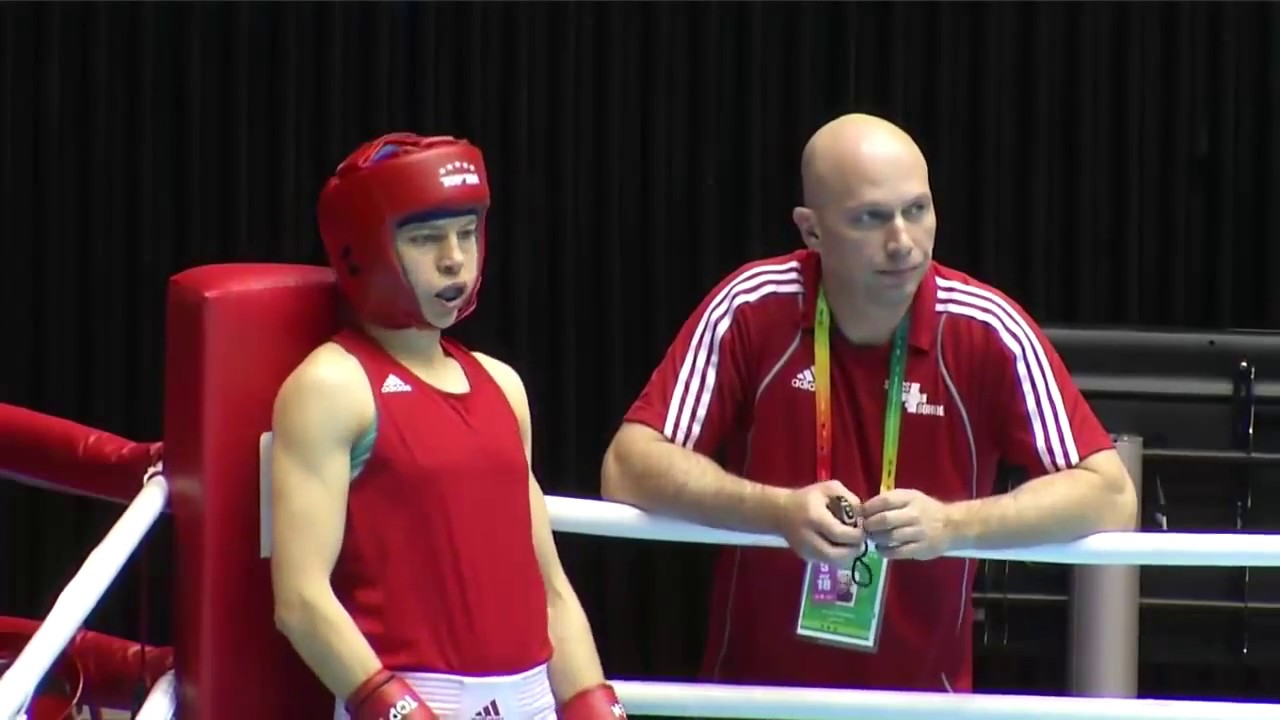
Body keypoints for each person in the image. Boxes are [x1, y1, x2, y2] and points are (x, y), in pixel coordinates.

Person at [600, 113, 1138, 693]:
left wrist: (952, 524)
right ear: (811, 231)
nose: (903, 242)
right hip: (751, 700)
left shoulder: (987, 328)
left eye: (917, 210)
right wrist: (777, 512)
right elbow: (627, 467)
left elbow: (1110, 495)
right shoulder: (752, 306)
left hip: (922, 706)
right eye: (870, 218)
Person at [269, 133, 625, 719]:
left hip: (534, 696)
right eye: (425, 238)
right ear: (364, 249)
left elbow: (550, 587)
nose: (454, 258)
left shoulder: (503, 386)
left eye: (467, 232)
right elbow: (301, 600)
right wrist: (400, 710)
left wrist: (593, 702)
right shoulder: (332, 386)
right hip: (413, 695)